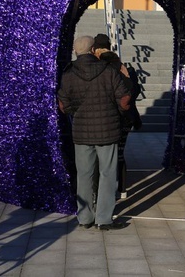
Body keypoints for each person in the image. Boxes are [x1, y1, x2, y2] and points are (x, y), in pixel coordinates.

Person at [57, 35, 131, 230]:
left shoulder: (68, 74)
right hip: (108, 130)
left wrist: (76, 113)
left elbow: (63, 105)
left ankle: (84, 218)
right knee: (107, 174)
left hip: (81, 131)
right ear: (92, 50)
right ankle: (104, 219)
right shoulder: (108, 71)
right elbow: (124, 99)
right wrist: (119, 113)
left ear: (76, 51)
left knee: (84, 175)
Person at [92, 33, 142, 198]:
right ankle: (121, 187)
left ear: (95, 50)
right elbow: (133, 91)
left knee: (103, 155)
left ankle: (103, 190)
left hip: (105, 117)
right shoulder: (122, 68)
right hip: (125, 117)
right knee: (119, 153)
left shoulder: (98, 68)